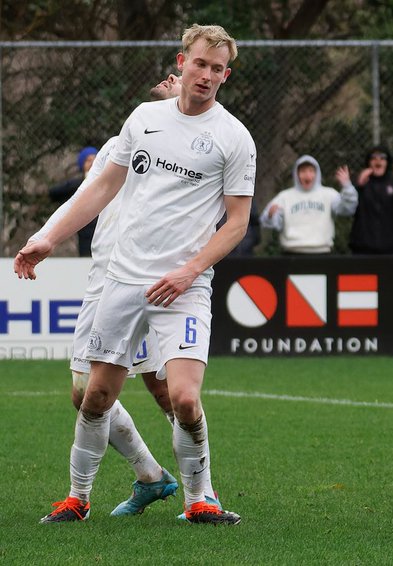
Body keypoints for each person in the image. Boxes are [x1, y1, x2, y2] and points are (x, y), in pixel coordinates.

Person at [16, 24, 255, 524]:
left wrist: (190, 272)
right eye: (199, 64)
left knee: (184, 398)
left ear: (225, 75)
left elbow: (237, 224)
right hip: (123, 282)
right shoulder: (144, 118)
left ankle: (199, 502)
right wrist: (47, 237)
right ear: (181, 62)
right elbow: (101, 188)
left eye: (217, 69)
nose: (207, 75)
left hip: (183, 288)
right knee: (95, 395)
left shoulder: (234, 137)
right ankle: (77, 500)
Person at [21, 73, 185, 523]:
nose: (172, 80)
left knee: (166, 390)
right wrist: (43, 239)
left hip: (149, 280)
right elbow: (83, 200)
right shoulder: (123, 142)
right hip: (103, 282)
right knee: (84, 393)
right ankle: (151, 476)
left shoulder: (194, 147)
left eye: (184, 80)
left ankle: (199, 493)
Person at [261, 155, 359, 254]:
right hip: (291, 253)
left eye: (311, 171)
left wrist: (347, 186)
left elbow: (348, 208)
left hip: (322, 252)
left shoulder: (329, 194)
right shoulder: (284, 196)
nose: (307, 175)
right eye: (303, 171)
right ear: (296, 174)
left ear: (317, 174)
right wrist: (271, 215)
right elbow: (267, 220)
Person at [349, 146, 393, 254]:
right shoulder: (360, 183)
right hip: (363, 247)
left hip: (390, 247)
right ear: (368, 162)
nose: (378, 160)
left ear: (387, 162)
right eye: (373, 158)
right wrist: (359, 187)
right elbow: (349, 209)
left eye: (382, 158)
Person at [48, 146, 100, 256]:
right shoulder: (77, 184)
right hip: (86, 235)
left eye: (95, 159)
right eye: (88, 160)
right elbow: (54, 193)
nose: (92, 163)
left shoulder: (108, 182)